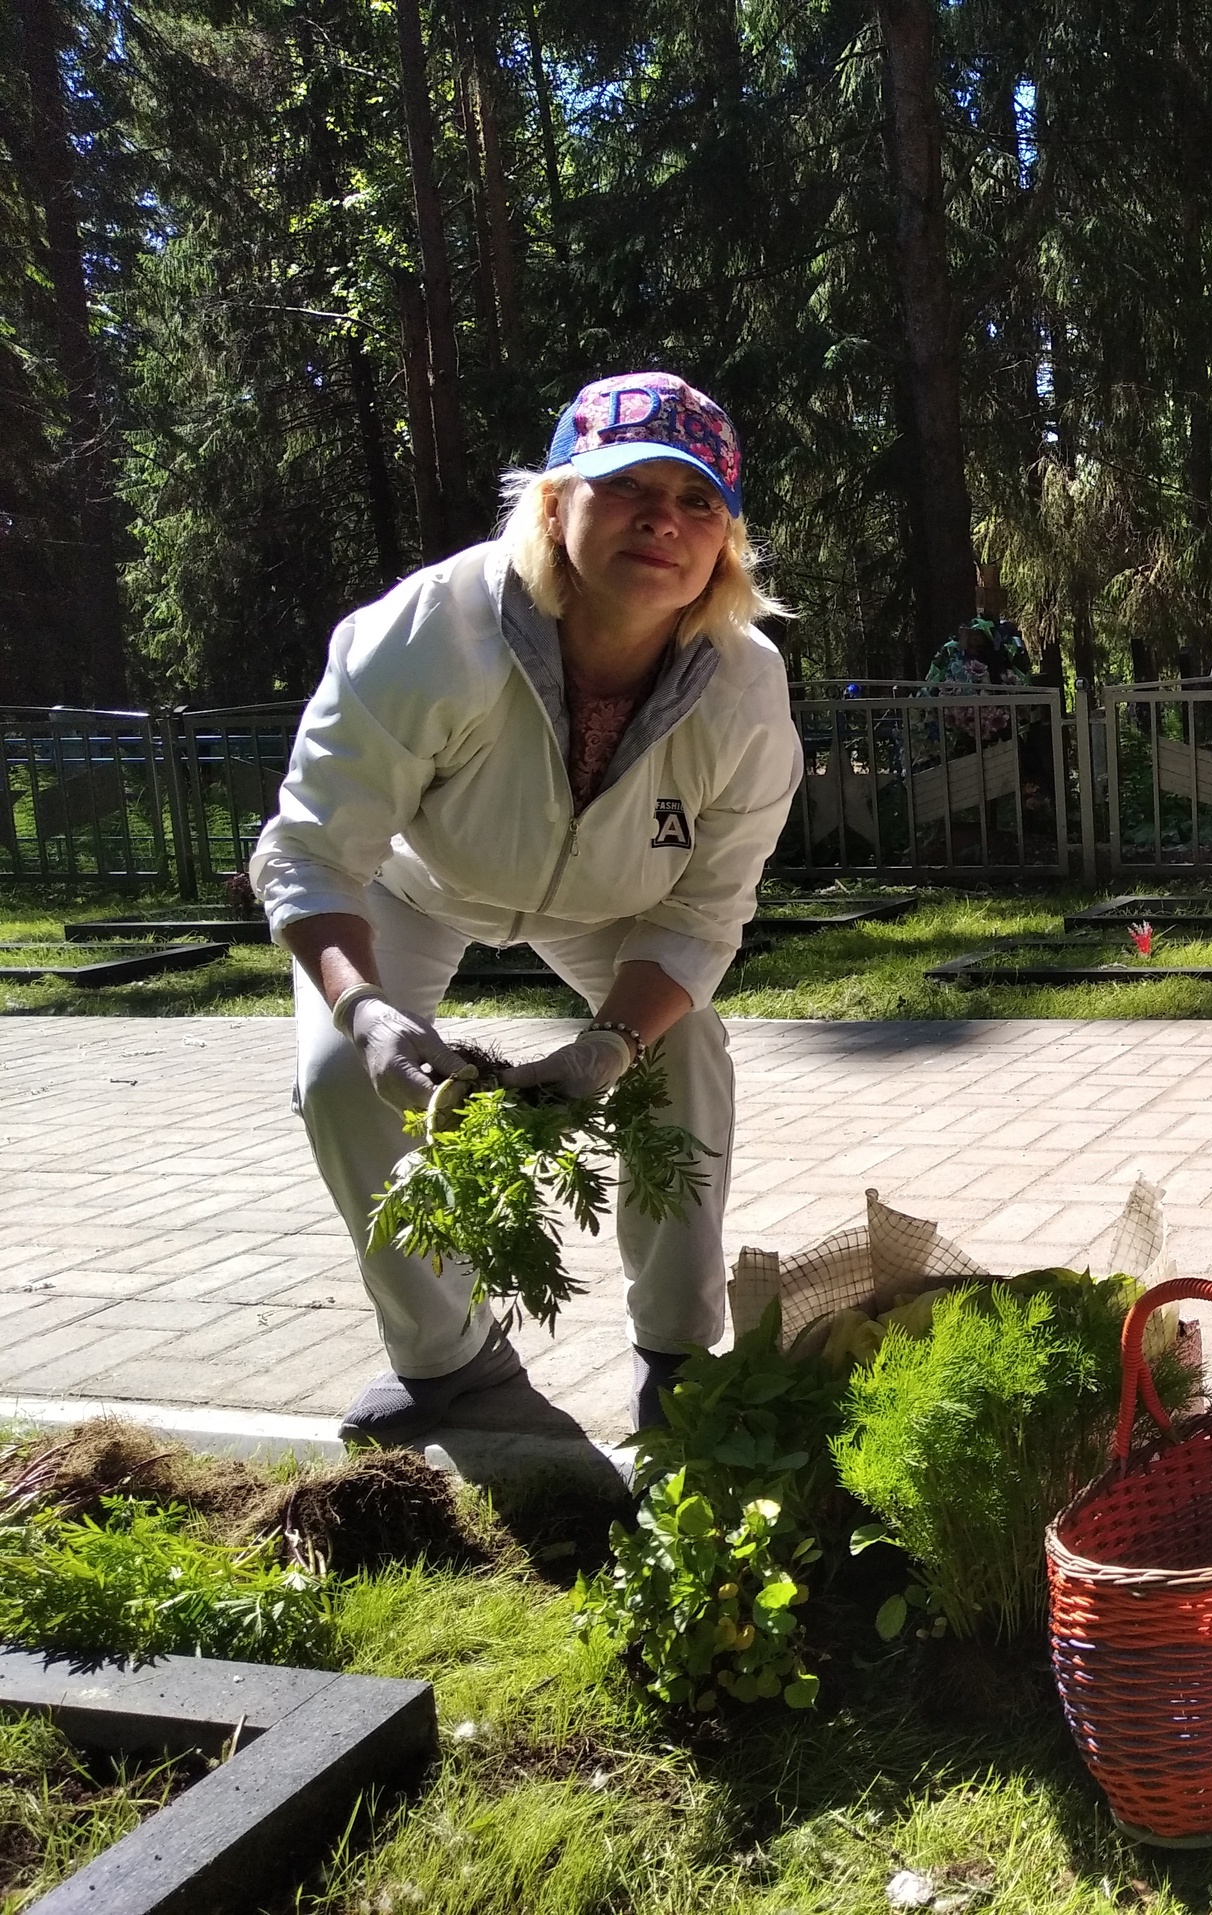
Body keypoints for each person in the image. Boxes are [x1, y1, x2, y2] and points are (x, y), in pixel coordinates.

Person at [250, 371, 802, 1441]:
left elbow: (701, 913)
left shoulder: (744, 688)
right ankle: (451, 1362)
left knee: (683, 1056)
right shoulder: (429, 635)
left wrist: (606, 1047)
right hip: (417, 879)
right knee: (334, 1074)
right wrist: (364, 1009)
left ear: (725, 542)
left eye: (697, 502)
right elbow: (313, 850)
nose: (663, 521)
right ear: (554, 504)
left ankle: (678, 1359)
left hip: (609, 905)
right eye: (626, 486)